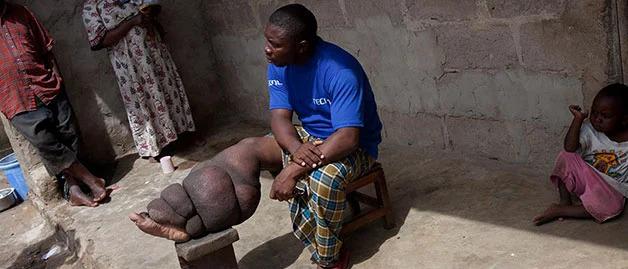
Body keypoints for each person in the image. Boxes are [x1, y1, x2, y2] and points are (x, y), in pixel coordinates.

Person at [130, 4, 382, 269]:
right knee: (245, 151)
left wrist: (293, 170)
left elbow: (348, 138)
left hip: (354, 147)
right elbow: (279, 119)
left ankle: (331, 259)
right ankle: (184, 223)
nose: (267, 49)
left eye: (275, 44)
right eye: (267, 40)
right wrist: (296, 149)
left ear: (302, 45)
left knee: (322, 181)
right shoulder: (280, 63)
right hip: (310, 138)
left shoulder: (340, 70)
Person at [0, 1, 107, 207]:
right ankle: (90, 179)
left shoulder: (20, 12)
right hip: (14, 98)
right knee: (45, 142)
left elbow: (45, 47)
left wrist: (57, 79)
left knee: (70, 135)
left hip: (47, 85)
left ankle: (75, 189)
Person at [82, 0, 195, 162]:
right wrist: (132, 22)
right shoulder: (91, 7)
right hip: (129, 65)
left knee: (168, 92)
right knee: (143, 103)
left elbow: (153, 7)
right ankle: (158, 147)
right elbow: (100, 40)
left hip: (153, 51)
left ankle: (182, 135)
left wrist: (149, 15)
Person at [533, 83, 628, 225]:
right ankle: (565, 201)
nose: (597, 119)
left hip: (609, 189)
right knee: (566, 156)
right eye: (594, 113)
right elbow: (570, 148)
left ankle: (561, 210)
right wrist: (578, 119)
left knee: (613, 208)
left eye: (605, 116)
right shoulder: (590, 130)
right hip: (586, 177)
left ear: (624, 120)